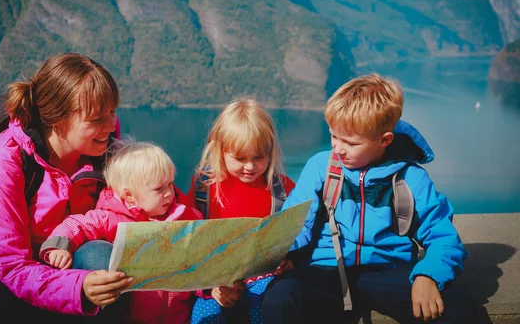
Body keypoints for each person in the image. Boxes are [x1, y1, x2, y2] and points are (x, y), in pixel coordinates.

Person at [261, 74, 475, 323]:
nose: (338, 148)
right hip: (325, 270)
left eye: (350, 142)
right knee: (280, 298)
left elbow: (444, 238)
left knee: (455, 304)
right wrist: (281, 252)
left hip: (389, 270)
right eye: (334, 136)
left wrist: (428, 276)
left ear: (384, 140)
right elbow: (294, 224)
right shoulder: (321, 167)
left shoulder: (411, 178)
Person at [0, 53, 132, 324]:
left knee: (103, 258)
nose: (109, 125)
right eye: (95, 119)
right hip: (10, 280)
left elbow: (129, 212)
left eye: (112, 112)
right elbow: (8, 263)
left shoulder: (105, 148)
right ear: (57, 120)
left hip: (72, 269)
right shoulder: (6, 161)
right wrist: (78, 288)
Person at [40, 140, 203, 324]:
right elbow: (78, 224)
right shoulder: (112, 217)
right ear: (129, 195)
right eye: (159, 188)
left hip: (179, 316)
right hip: (133, 317)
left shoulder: (187, 218)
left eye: (170, 184)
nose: (168, 193)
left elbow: (201, 260)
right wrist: (59, 245)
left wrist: (208, 288)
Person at [178, 98, 296, 324]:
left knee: (266, 310)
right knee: (204, 317)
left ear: (270, 151)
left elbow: (297, 233)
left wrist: (291, 260)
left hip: (265, 279)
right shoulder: (204, 188)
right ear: (220, 150)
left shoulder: (282, 190)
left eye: (258, 157)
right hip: (216, 282)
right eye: (240, 158)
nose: (250, 166)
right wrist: (210, 288)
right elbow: (189, 242)